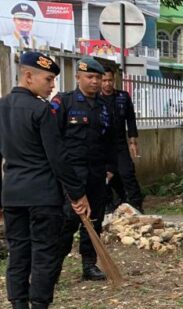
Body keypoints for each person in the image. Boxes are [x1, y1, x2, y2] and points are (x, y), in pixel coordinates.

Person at [0, 52, 90, 309]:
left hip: (12, 194)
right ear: (28, 76)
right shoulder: (41, 110)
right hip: (42, 196)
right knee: (44, 254)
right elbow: (58, 157)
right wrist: (77, 194)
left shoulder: (1, 107)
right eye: (49, 79)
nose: (53, 85)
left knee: (18, 255)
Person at [52, 57, 115, 282]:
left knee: (94, 220)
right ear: (78, 77)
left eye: (98, 77)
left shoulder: (104, 106)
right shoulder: (64, 102)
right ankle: (53, 269)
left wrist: (109, 168)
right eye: (90, 77)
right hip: (72, 175)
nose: (95, 82)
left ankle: (89, 265)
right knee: (67, 222)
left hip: (96, 174)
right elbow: (53, 140)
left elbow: (110, 140)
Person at [100, 65, 145, 213]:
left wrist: (133, 141)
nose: (107, 83)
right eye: (104, 80)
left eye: (110, 80)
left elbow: (130, 120)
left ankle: (136, 204)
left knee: (127, 174)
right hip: (102, 145)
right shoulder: (95, 99)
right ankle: (109, 206)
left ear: (114, 80)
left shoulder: (123, 97)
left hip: (120, 144)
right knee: (105, 177)